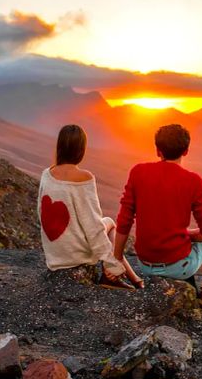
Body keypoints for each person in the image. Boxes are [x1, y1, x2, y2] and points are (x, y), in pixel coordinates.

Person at [113, 124, 202, 311]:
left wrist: (117, 256)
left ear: (158, 150)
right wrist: (186, 235)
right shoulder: (193, 181)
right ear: (186, 150)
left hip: (145, 265)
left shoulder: (138, 172)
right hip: (179, 267)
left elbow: (124, 220)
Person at [37, 124, 144, 290]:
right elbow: (93, 226)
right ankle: (113, 277)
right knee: (108, 222)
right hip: (76, 256)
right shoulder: (84, 178)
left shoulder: (46, 174)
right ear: (81, 149)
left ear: (60, 146)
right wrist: (110, 263)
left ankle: (136, 280)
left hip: (55, 257)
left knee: (103, 224)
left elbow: (41, 213)